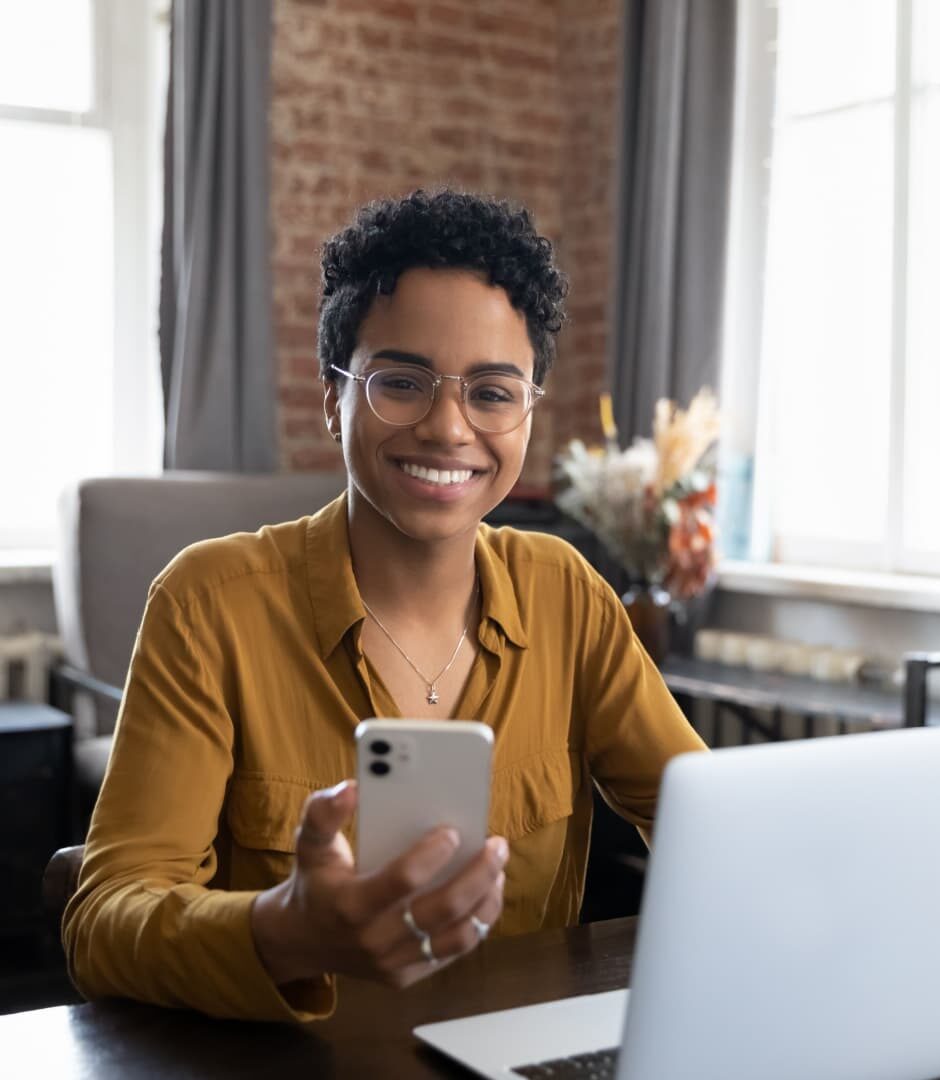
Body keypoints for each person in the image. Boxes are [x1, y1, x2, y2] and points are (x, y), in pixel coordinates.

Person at [62, 189, 707, 1022]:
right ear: (333, 397)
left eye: (492, 392)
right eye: (400, 381)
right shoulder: (208, 605)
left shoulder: (567, 594)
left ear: (528, 413)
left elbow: (707, 823)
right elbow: (102, 921)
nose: (447, 427)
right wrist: (284, 931)